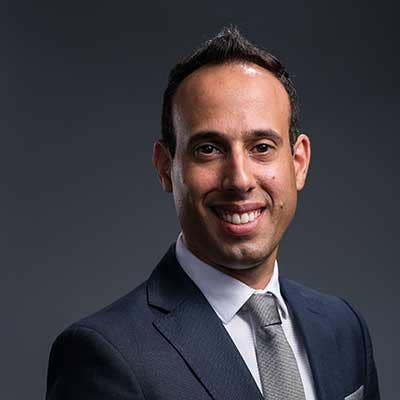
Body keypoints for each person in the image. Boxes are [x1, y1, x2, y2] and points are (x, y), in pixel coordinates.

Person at [46, 27, 380, 400]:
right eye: (208, 149)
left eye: (262, 147)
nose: (239, 179)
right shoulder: (103, 356)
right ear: (165, 167)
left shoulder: (344, 329)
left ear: (299, 162)